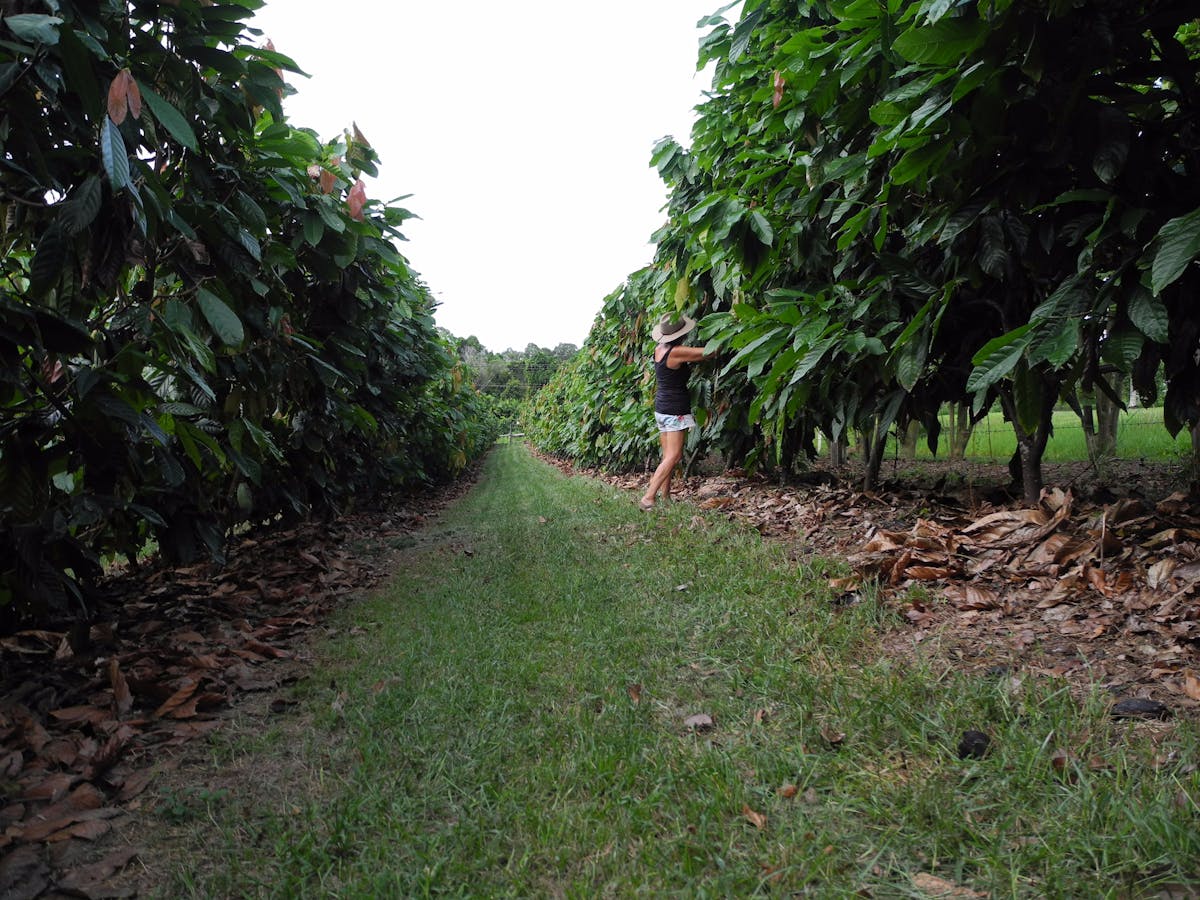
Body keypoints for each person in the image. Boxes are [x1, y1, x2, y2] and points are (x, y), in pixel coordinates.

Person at [639, 313, 712, 510]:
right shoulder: (676, 351)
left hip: (662, 408)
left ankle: (666, 496)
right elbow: (709, 352)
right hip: (675, 409)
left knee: (667, 456)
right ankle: (648, 497)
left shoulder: (659, 349)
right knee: (675, 456)